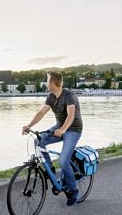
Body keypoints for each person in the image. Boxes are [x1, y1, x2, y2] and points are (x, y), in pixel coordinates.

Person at [22, 71, 83, 207]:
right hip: (60, 127)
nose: (46, 82)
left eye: (48, 80)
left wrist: (62, 130)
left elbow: (71, 115)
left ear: (53, 82)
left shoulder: (69, 96)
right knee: (39, 140)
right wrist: (29, 125)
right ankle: (49, 169)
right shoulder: (50, 97)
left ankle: (73, 190)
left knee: (62, 161)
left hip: (73, 129)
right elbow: (41, 112)